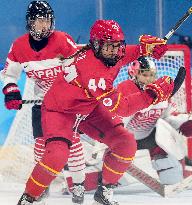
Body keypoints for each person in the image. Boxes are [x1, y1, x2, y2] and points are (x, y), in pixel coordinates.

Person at [16, 19, 173, 205]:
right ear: (96, 45)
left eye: (117, 45)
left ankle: (104, 194)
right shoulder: (93, 71)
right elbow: (123, 108)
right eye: (109, 47)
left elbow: (128, 53)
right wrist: (152, 94)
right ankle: (28, 198)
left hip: (87, 105)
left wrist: (145, 50)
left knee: (125, 143)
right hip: (60, 111)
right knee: (56, 156)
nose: (115, 51)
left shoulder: (109, 52)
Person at [1, 1, 86, 204]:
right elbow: (10, 75)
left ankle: (79, 184)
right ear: (30, 23)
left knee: (72, 143)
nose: (44, 26)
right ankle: (43, 183)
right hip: (43, 103)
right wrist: (12, 92)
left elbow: (81, 68)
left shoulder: (63, 41)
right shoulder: (19, 46)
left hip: (67, 104)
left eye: (47, 21)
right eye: (39, 22)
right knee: (40, 146)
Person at [117, 56, 192, 185]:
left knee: (171, 176)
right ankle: (105, 173)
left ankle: (179, 172)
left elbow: (166, 118)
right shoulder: (125, 88)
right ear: (133, 74)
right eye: (145, 75)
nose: (149, 79)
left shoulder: (160, 91)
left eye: (152, 75)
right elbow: (116, 118)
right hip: (124, 138)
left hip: (149, 136)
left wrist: (184, 122)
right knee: (114, 170)